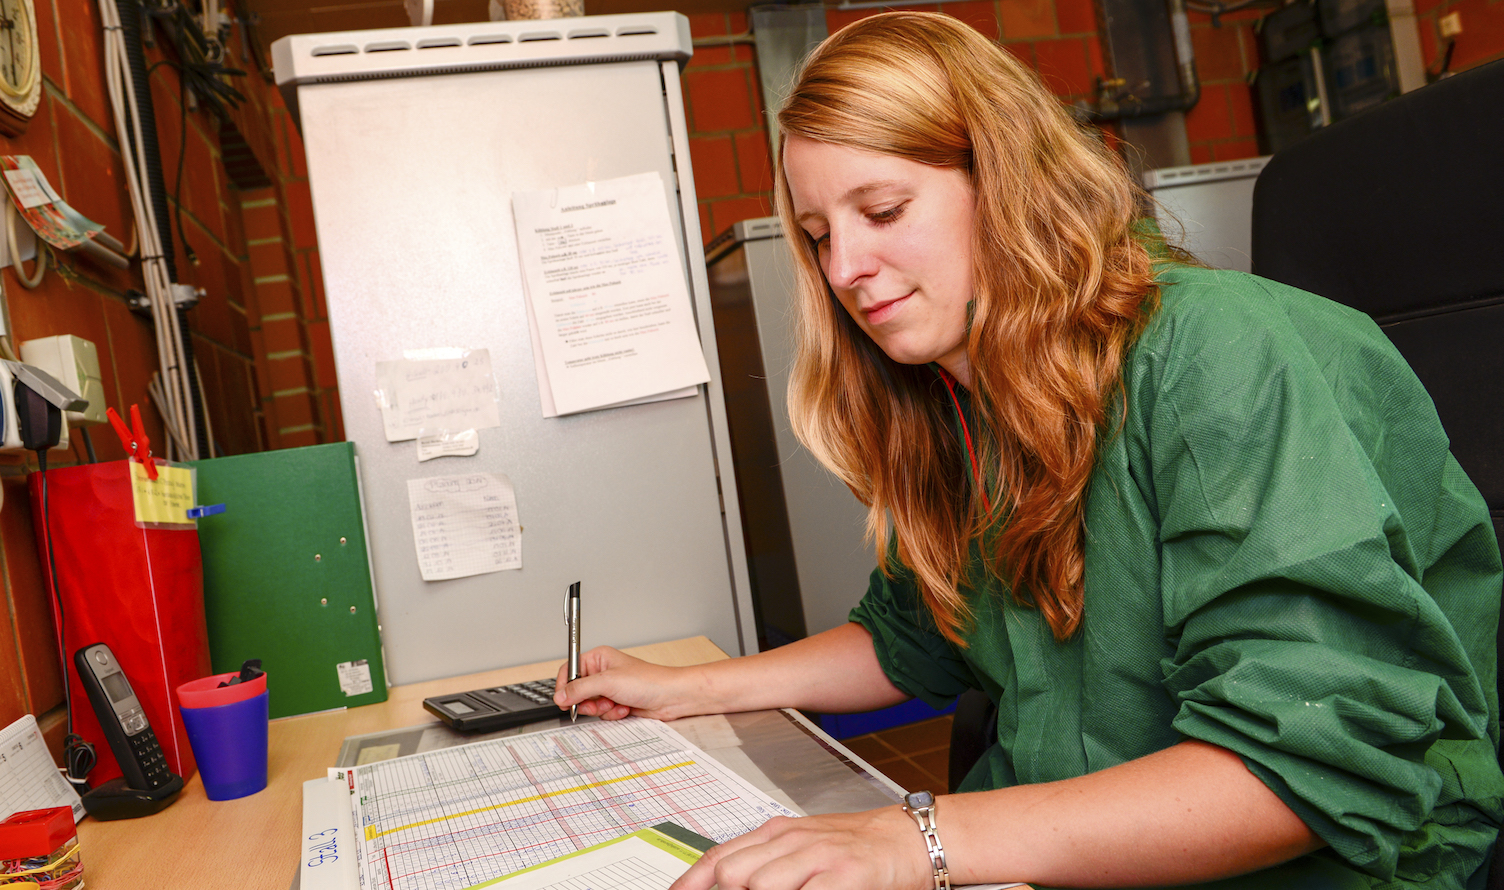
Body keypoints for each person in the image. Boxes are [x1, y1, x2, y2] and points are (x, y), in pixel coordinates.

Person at [555, 11, 1504, 889]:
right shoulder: (967, 400)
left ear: (1005, 177)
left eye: (880, 212)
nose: (843, 269)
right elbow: (915, 638)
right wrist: (683, 689)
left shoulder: (1218, 354)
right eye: (817, 235)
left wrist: (915, 839)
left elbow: (1299, 765)